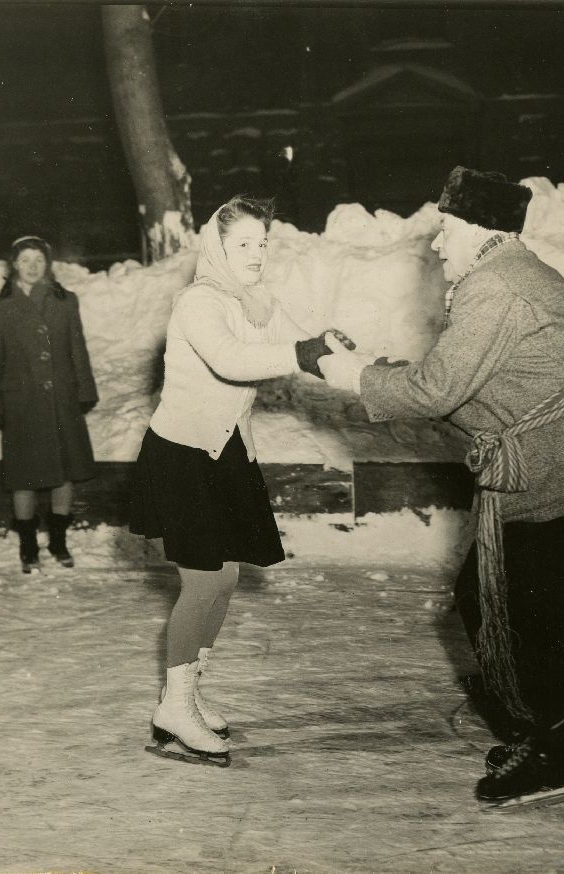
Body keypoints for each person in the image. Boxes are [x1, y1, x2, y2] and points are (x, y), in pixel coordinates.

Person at [319, 167, 564, 808]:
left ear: (477, 227)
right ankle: (541, 731)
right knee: (509, 602)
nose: (440, 246)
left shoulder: (495, 287)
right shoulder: (513, 275)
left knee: (513, 607)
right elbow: (477, 391)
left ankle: (557, 752)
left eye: (446, 229)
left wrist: (346, 372)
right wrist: (374, 371)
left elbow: (439, 391)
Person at [129, 195, 354, 767]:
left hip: (224, 454)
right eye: (244, 245)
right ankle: (175, 705)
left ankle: (182, 694)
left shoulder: (255, 300)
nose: (255, 254)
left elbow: (303, 346)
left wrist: (354, 364)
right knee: (203, 581)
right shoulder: (197, 302)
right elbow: (231, 359)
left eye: (262, 243)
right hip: (181, 458)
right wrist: (300, 351)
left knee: (224, 578)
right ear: (219, 248)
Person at [0, 236, 99, 573]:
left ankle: (59, 541)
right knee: (24, 476)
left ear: (47, 264)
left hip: (61, 399)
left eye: (38, 260)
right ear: (13, 265)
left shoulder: (65, 301)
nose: (32, 266)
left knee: (65, 474)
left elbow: (78, 348)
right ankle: (28, 544)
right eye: (25, 260)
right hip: (21, 402)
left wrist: (85, 389)